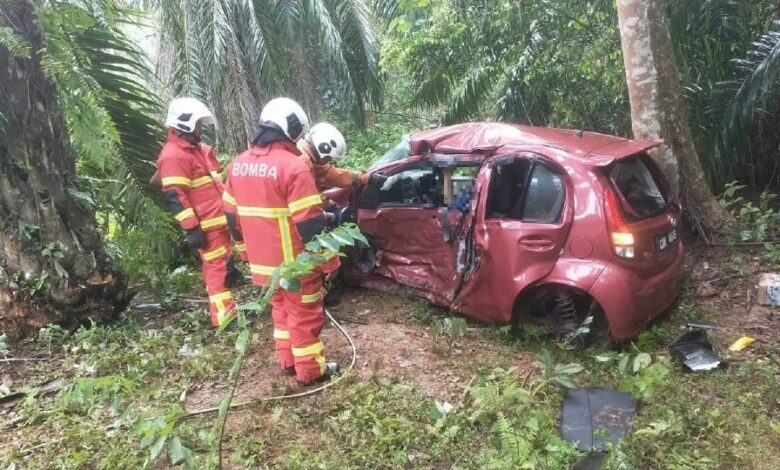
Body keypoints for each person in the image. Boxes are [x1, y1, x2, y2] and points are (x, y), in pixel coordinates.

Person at [222, 97, 339, 385]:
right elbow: (311, 224)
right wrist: (328, 261)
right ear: (290, 127)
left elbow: (231, 218)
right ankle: (310, 370)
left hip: (265, 269)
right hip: (295, 266)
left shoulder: (237, 165)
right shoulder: (293, 167)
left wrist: (244, 253)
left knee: (281, 312)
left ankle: (288, 361)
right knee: (304, 315)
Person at [155, 97, 243, 327]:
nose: (200, 129)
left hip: (219, 220)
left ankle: (226, 312)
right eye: (198, 124)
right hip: (207, 225)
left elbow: (215, 183)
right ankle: (225, 319)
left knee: (221, 266)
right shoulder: (173, 156)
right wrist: (191, 228)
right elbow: (176, 196)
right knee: (217, 271)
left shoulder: (198, 150)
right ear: (184, 124)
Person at [297, 122, 386, 191]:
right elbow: (306, 196)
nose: (329, 161)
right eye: (328, 158)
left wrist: (367, 178)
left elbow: (336, 176)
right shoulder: (303, 162)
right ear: (323, 148)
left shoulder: (313, 162)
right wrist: (327, 206)